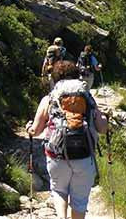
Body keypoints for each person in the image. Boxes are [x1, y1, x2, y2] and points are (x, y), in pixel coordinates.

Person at [27, 61, 109, 219]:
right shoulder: (87, 97)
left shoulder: (49, 99)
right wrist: (105, 118)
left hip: (56, 155)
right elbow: (102, 128)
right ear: (77, 76)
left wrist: (28, 128)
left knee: (59, 190)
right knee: (79, 200)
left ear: (55, 79)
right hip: (84, 155)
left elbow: (35, 131)